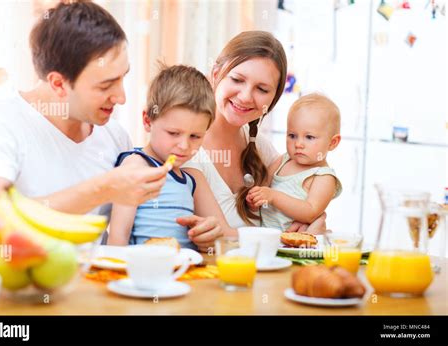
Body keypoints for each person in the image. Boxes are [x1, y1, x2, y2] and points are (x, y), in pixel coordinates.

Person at [0, 2, 220, 242]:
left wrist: (202, 231)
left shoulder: (115, 136)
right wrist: (100, 189)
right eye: (105, 85)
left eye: (123, 78)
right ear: (59, 84)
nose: (121, 97)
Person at [183, 31, 327, 232]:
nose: (245, 97)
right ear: (216, 75)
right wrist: (286, 240)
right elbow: (221, 238)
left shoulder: (261, 147)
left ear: (273, 98)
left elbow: (310, 198)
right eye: (237, 79)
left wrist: (311, 221)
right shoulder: (185, 146)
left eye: (262, 89)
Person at [108, 65, 231, 250]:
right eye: (174, 133)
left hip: (188, 272)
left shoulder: (191, 179)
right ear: (148, 120)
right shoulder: (136, 166)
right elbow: (118, 237)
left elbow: (223, 236)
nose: (184, 146)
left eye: (195, 136)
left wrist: (208, 235)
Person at [246, 93, 342, 231]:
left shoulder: (323, 177)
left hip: (296, 245)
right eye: (292, 135)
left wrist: (273, 196)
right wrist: (255, 200)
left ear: (332, 143)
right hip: (268, 238)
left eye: (309, 137)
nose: (298, 144)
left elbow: (310, 213)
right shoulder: (283, 161)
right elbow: (263, 187)